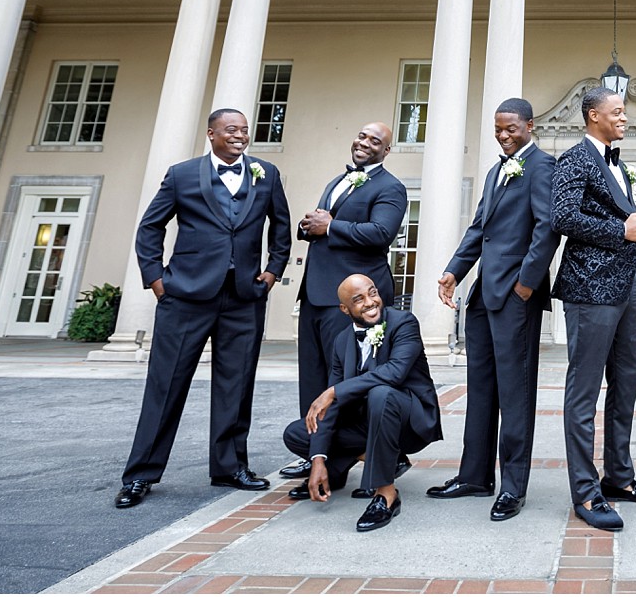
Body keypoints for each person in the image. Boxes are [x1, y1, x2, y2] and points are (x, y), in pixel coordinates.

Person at [114, 109, 290, 509]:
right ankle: (141, 474)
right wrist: (156, 280)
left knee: (236, 385)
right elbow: (150, 227)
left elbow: (281, 226)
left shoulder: (267, 174)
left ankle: (229, 467)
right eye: (231, 130)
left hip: (243, 299)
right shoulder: (181, 174)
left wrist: (272, 273)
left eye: (245, 130)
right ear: (211, 134)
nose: (240, 136)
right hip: (185, 298)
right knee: (165, 386)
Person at [429, 98, 559, 522]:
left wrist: (527, 282)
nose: (504, 136)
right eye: (498, 130)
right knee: (481, 388)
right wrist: (454, 271)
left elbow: (546, 228)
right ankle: (474, 476)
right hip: (483, 296)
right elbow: (479, 228)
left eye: (511, 129)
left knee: (515, 393)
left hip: (516, 297)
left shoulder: (541, 167)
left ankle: (513, 487)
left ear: (529, 125)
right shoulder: (495, 171)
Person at [550, 86, 636, 531]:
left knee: (626, 385)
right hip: (590, 288)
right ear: (593, 115)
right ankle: (586, 491)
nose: (625, 118)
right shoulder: (575, 159)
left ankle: (619, 476)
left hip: (628, 289)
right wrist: (621, 229)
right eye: (618, 112)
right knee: (583, 393)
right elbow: (562, 217)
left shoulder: (616, 163)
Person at [279, 122, 408, 482]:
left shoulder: (391, 187)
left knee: (345, 379)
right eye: (363, 136)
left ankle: (352, 459)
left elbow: (381, 233)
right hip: (316, 293)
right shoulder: (336, 181)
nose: (365, 143)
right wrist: (308, 228)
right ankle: (315, 453)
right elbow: (322, 225)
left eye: (375, 141)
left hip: (351, 300)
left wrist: (332, 226)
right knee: (312, 378)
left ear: (386, 151)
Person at [282, 274, 442, 532]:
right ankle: (344, 469)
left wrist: (334, 390)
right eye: (359, 299)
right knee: (299, 433)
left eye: (373, 293)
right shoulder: (342, 341)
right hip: (368, 423)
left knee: (381, 392)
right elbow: (333, 407)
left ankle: (386, 495)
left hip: (409, 421)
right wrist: (319, 459)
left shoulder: (404, 323)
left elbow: (394, 373)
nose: (370, 302)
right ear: (345, 309)